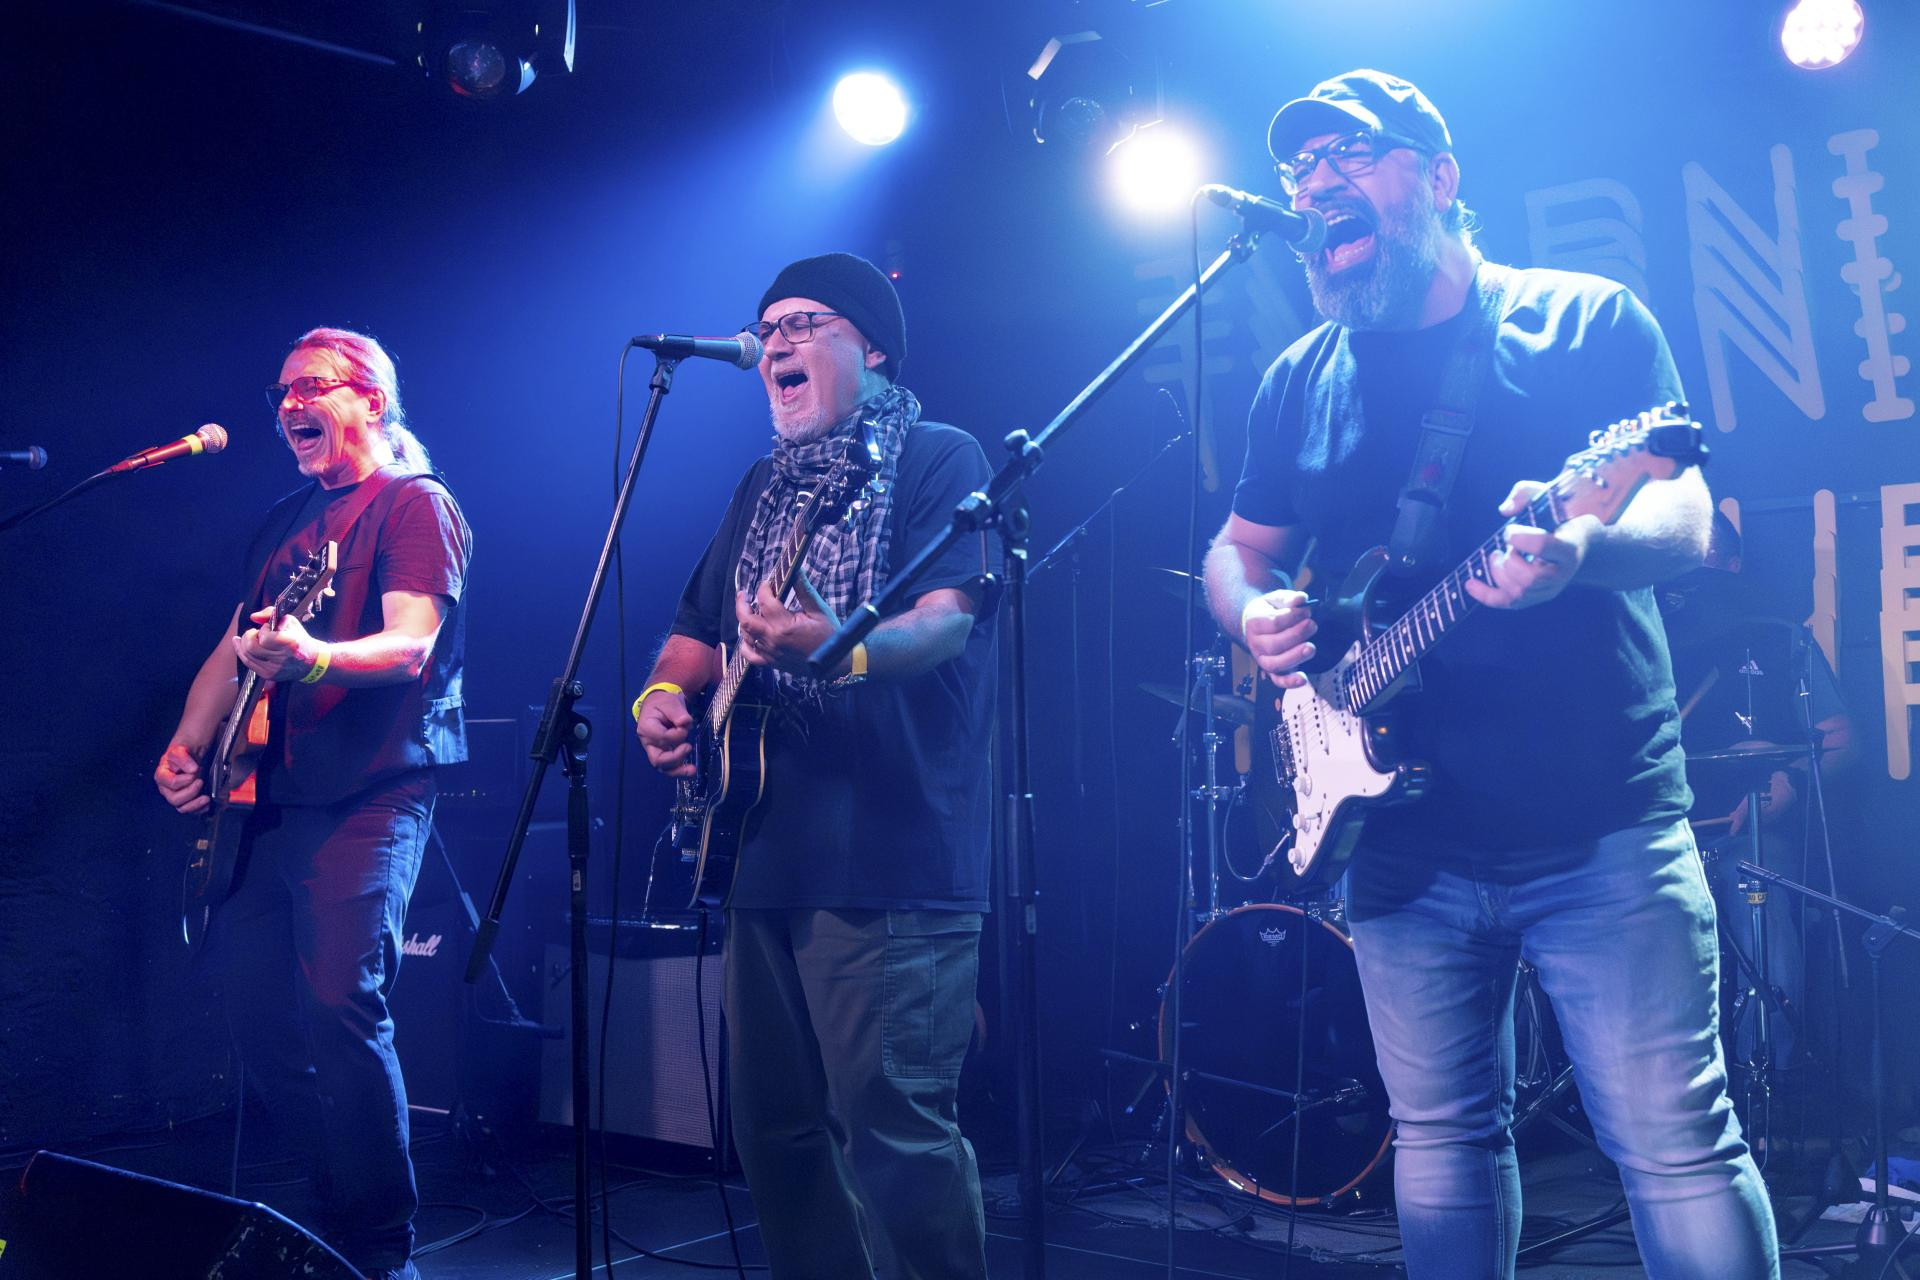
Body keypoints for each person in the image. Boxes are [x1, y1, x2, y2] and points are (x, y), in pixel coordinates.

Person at [1202, 71, 1779, 1278]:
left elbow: (1684, 517)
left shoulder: (1582, 319)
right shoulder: (1299, 375)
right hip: (1400, 840)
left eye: (1351, 154)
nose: (1316, 184)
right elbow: (1237, 548)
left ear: (1440, 176)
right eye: (1300, 168)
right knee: (1440, 1136)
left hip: (1597, 818)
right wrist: (1253, 611)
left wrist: (1582, 552)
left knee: (1676, 1141)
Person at [634, 253, 996, 1279]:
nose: (776, 345)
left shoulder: (937, 456)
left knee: (894, 1134)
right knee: (776, 1134)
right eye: (768, 330)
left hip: (888, 849)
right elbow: (693, 634)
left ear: (873, 348)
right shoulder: (763, 487)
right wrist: (658, 701)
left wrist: (840, 648)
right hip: (756, 844)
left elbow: (946, 621)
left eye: (805, 323)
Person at [154, 327, 471, 1280]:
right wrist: (188, 743)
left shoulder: (414, 504)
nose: (289, 404)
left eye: (311, 387)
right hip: (269, 797)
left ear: (370, 397)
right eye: (282, 392)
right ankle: (332, 1216)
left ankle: (381, 1252)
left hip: (371, 791)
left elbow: (411, 644)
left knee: (340, 1004)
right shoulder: (287, 520)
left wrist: (318, 657)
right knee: (256, 1015)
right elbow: (234, 648)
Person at [1662, 510, 1856, 1073]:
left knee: (1756, 884)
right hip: (1655, 842)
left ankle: (1763, 1073)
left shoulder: (1778, 639)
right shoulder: (1643, 640)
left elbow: (1842, 740)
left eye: (1702, 564)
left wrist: (1789, 782)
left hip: (1746, 836)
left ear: (1733, 567)